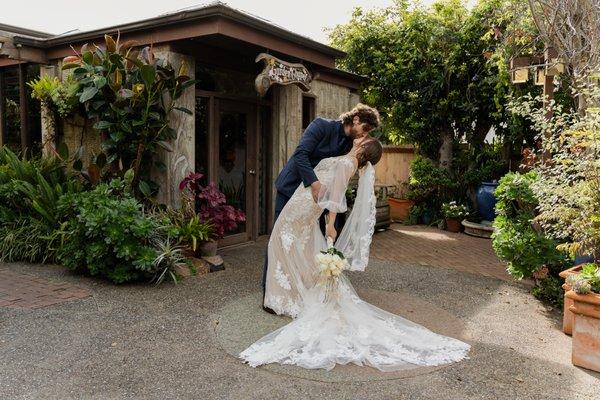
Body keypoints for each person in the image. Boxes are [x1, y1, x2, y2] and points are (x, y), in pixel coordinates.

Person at [240, 135, 471, 371]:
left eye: (363, 139)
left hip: (302, 210)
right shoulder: (347, 159)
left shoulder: (348, 163)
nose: (359, 138)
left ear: (363, 149)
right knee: (293, 248)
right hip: (302, 205)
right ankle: (292, 297)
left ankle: (289, 299)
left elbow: (337, 194)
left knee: (280, 243)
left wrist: (331, 224)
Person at [261, 104, 381, 314]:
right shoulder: (321, 126)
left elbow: (339, 179)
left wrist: (329, 217)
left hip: (316, 203)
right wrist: (315, 184)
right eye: (366, 128)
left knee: (304, 243)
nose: (365, 133)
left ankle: (299, 289)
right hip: (292, 189)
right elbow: (301, 155)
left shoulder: (350, 145)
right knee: (281, 239)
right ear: (355, 119)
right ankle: (270, 290)